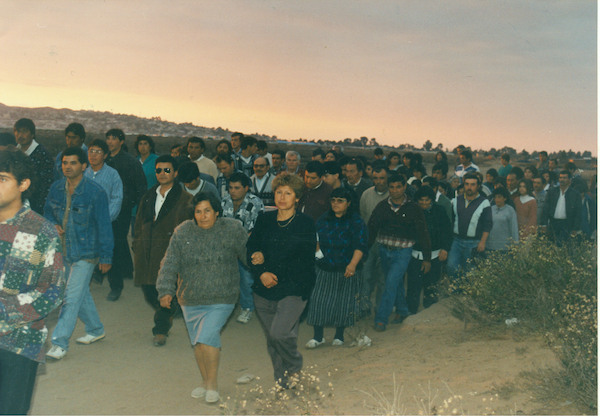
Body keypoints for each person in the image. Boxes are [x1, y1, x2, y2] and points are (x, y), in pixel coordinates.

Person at [157, 192, 247, 403]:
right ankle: (205, 382)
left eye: (207, 211)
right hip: (191, 297)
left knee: (207, 337)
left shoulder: (232, 229)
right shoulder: (183, 232)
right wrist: (165, 290)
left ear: (217, 212)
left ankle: (213, 385)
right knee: (198, 342)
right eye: (198, 211)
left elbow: (249, 255)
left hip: (223, 295)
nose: (203, 216)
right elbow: (169, 262)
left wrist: (262, 263)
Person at [0, 149, 65, 415]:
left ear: (23, 185)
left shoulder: (40, 232)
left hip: (19, 342)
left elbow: (52, 291)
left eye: (2, 178)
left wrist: (6, 312)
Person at [246, 173, 316, 387]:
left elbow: (303, 261)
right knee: (273, 340)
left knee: (279, 334)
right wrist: (262, 272)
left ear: (297, 198)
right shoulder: (264, 219)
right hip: (263, 290)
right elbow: (252, 248)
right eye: (279, 192)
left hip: (293, 288)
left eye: (288, 193)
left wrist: (267, 264)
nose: (282, 197)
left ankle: (294, 366)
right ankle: (283, 381)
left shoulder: (305, 223)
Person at [44, 147, 113, 360]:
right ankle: (95, 329)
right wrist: (53, 224)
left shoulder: (95, 192)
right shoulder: (56, 188)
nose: (67, 167)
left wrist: (106, 256)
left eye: (73, 163)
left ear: (83, 166)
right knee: (80, 294)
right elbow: (47, 212)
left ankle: (59, 343)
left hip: (86, 252)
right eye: (64, 163)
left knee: (70, 297)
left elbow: (104, 225)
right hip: (63, 250)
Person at [134, 155, 193, 347]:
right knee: (149, 292)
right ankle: (168, 313)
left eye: (167, 170)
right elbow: (138, 223)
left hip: (170, 254)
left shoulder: (186, 199)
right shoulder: (148, 195)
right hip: (147, 252)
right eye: (158, 170)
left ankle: (160, 328)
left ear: (175, 173)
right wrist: (137, 244)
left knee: (165, 290)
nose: (162, 174)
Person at [305, 187, 368, 348]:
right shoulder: (323, 219)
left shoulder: (356, 221)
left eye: (340, 201)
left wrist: (353, 265)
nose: (335, 204)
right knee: (319, 301)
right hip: (325, 267)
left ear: (348, 203)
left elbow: (360, 245)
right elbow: (315, 238)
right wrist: (318, 255)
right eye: (333, 200)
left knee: (344, 303)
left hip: (348, 267)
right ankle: (318, 337)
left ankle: (338, 336)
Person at [368, 174, 431, 331]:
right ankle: (403, 310)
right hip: (384, 250)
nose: (395, 190)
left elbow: (423, 233)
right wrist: (363, 251)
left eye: (398, 187)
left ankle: (381, 319)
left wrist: (427, 258)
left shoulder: (413, 208)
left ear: (404, 187)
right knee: (395, 283)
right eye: (392, 187)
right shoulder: (382, 207)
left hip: (403, 252)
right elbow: (371, 229)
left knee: (390, 282)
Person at [105, 128, 147, 301]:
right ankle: (126, 270)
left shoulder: (130, 162)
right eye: (108, 138)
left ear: (121, 141)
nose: (110, 141)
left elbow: (141, 187)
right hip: (104, 208)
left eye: (114, 138)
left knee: (115, 242)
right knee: (114, 242)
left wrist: (130, 203)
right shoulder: (103, 160)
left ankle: (116, 285)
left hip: (122, 210)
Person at [221, 172, 265, 324]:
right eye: (230, 187)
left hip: (247, 247)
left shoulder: (256, 203)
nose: (232, 191)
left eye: (237, 188)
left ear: (246, 188)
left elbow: (257, 230)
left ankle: (247, 308)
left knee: (246, 279)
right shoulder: (225, 200)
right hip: (226, 247)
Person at [406, 186, 452, 313]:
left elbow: (447, 231)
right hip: (416, 256)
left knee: (431, 287)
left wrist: (445, 249)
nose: (424, 203)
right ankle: (411, 312)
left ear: (432, 200)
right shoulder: (412, 212)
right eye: (421, 200)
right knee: (413, 287)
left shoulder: (440, 211)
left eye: (427, 200)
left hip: (435, 256)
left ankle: (429, 313)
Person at [446, 172, 492, 280]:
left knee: (470, 270)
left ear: (478, 186)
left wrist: (482, 242)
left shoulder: (484, 203)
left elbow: (488, 224)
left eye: (472, 184)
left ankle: (467, 294)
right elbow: (451, 221)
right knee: (451, 266)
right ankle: (456, 290)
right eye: (467, 184)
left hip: (473, 243)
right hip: (456, 241)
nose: (469, 187)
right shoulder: (456, 200)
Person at [358, 165, 389, 315]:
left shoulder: (393, 195)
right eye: (375, 178)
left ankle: (380, 308)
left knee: (383, 278)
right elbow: (363, 218)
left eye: (382, 178)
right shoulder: (366, 195)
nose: (379, 181)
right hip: (369, 243)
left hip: (387, 243)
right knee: (366, 276)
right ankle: (364, 307)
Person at [14, 118, 54, 214]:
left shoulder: (42, 155)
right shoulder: (14, 152)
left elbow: (47, 184)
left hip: (35, 207)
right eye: (17, 131)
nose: (20, 135)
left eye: (24, 131)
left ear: (32, 134)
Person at [84, 139, 123, 222]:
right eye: (91, 151)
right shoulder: (83, 173)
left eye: (98, 152)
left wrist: (105, 218)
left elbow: (117, 199)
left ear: (105, 155)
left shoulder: (113, 174)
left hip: (103, 221)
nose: (93, 155)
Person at [542, 170, 582, 244]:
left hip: (567, 225)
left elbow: (578, 213)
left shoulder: (575, 194)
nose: (562, 180)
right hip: (553, 224)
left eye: (564, 178)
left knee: (565, 248)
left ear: (569, 180)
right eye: (560, 178)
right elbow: (546, 209)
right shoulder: (552, 192)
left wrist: (575, 228)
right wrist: (544, 224)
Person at [486, 187, 519, 251]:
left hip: (504, 246)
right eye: (495, 197)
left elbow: (514, 228)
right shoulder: (490, 209)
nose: (497, 199)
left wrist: (515, 244)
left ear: (505, 198)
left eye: (499, 197)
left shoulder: (510, 210)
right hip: (490, 245)